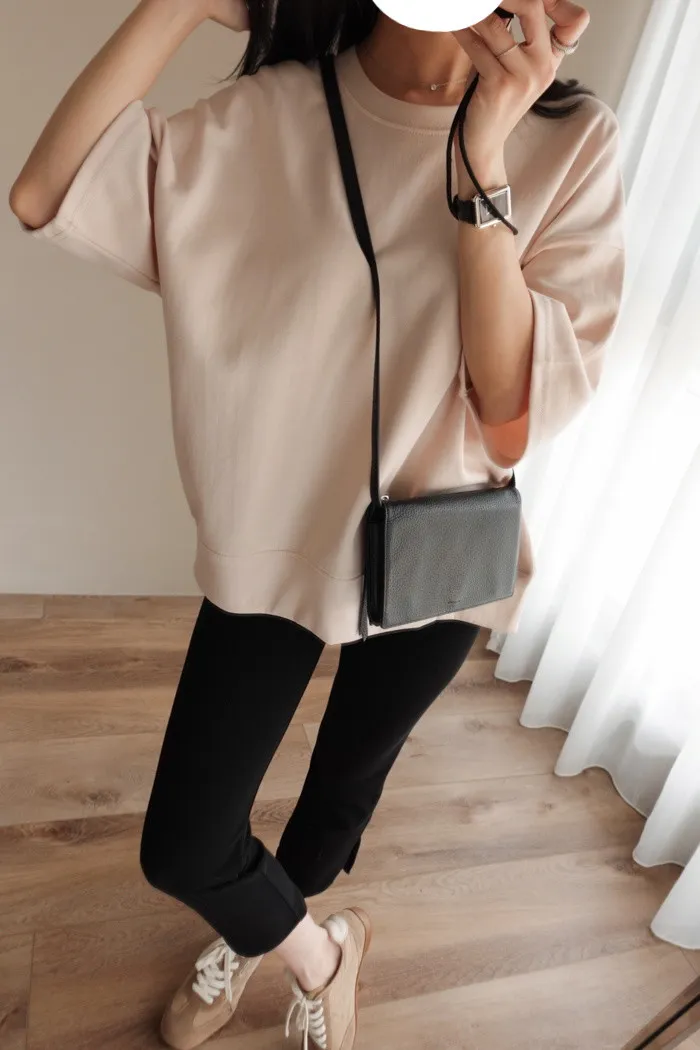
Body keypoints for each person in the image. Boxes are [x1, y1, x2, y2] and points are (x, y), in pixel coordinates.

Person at [9, 0, 625, 1047]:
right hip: (275, 545)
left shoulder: (571, 141)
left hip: (437, 552)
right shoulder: (267, 116)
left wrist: (482, 152)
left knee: (341, 794)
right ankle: (317, 952)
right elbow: (43, 191)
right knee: (186, 843)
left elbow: (509, 413)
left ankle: (259, 935)